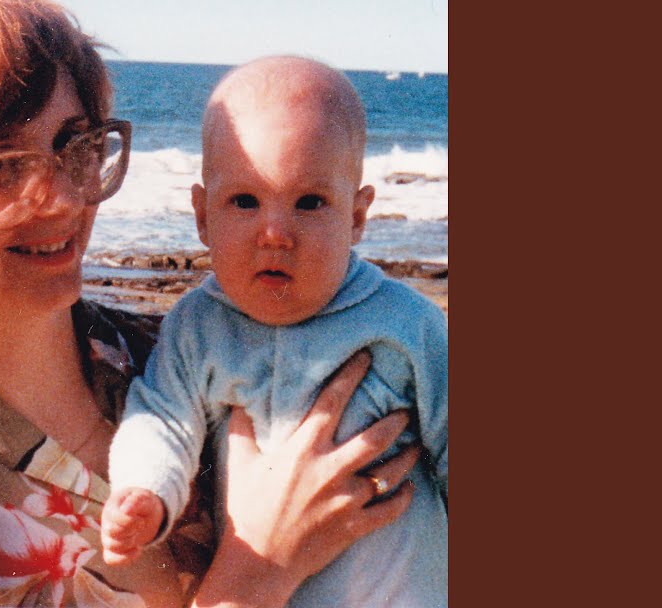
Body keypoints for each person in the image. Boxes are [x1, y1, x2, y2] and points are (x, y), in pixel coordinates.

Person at [0, 0, 420, 607]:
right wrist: (261, 571)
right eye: (3, 168)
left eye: (75, 147)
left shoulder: (175, 353)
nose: (63, 198)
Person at [101, 56, 448, 606]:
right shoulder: (198, 327)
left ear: (357, 216)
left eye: (310, 202)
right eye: (245, 201)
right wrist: (145, 491)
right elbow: (161, 419)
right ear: (202, 215)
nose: (275, 233)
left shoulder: (407, 324)